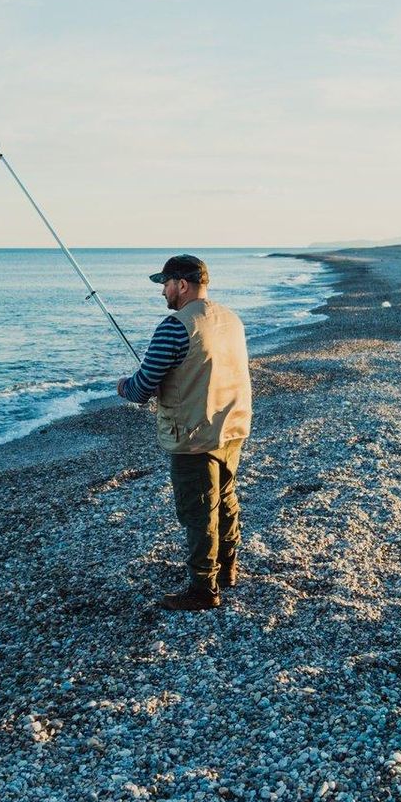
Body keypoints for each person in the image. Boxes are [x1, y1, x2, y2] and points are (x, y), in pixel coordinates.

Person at [116, 253, 252, 611]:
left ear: (182, 284)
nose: (163, 292)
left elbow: (142, 387)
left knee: (197, 511)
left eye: (165, 284)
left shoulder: (175, 326)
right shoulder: (232, 319)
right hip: (232, 427)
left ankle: (203, 589)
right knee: (224, 498)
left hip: (193, 435)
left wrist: (123, 387)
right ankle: (227, 570)